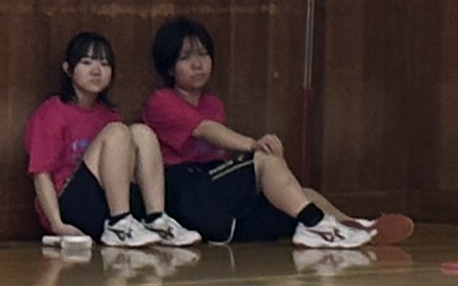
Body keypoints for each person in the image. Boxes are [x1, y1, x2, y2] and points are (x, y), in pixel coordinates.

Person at [139, 20, 372, 249]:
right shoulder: (161, 100)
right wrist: (253, 145)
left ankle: (352, 226)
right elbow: (206, 129)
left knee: (301, 194)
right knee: (265, 159)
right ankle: (316, 224)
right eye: (186, 58)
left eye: (203, 54)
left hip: (222, 212)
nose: (198, 64)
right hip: (189, 193)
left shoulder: (213, 104)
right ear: (169, 68)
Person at [28, 32, 181, 252]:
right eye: (87, 62)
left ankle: (157, 219)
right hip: (70, 207)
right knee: (118, 132)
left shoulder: (108, 114)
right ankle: (120, 224)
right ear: (68, 69)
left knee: (141, 132)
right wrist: (57, 225)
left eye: (104, 63)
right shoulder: (51, 113)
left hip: (107, 203)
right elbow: (41, 174)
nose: (97, 71)